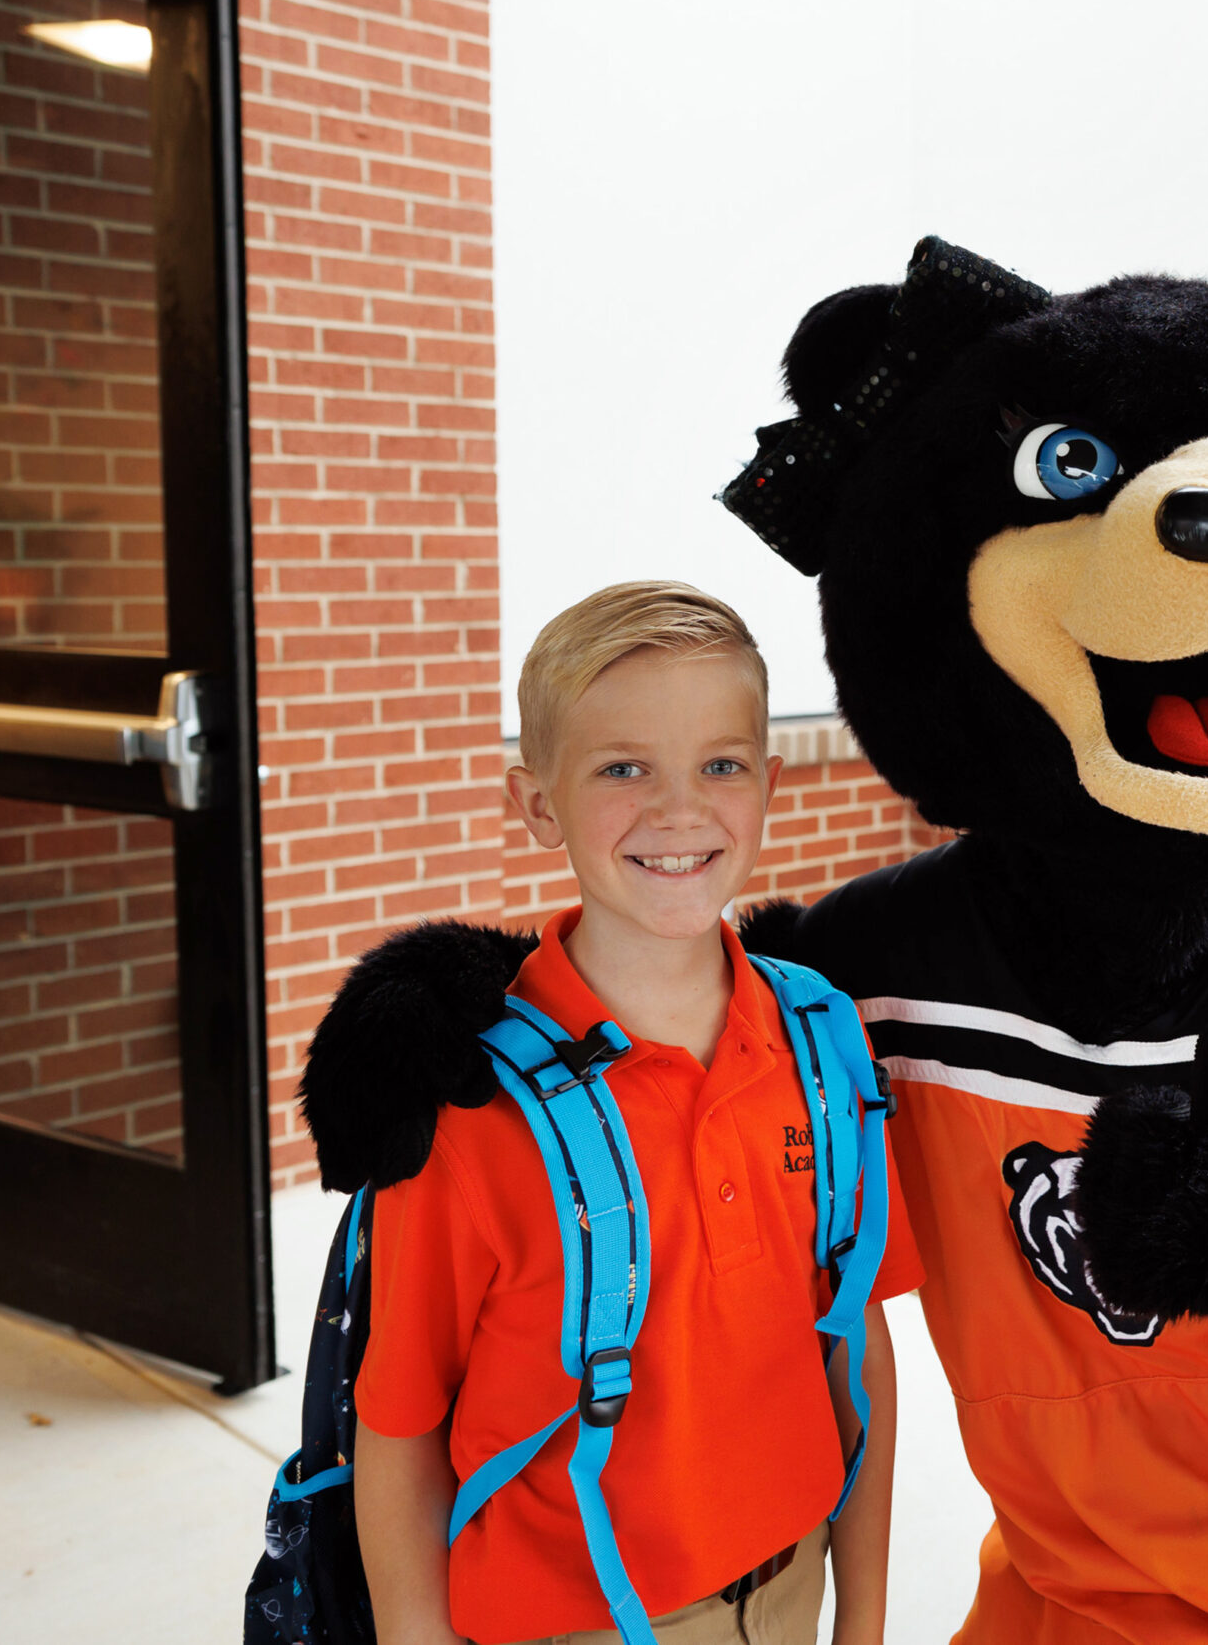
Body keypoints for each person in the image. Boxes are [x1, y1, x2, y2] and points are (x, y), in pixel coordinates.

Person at [352, 581, 921, 1645]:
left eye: (720, 764)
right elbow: (399, 1426)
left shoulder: (823, 1043)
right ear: (535, 803)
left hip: (789, 1588)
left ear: (768, 784)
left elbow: (856, 1347)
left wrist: (866, 1619)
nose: (677, 811)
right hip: (568, 1620)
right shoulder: (469, 1108)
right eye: (622, 768)